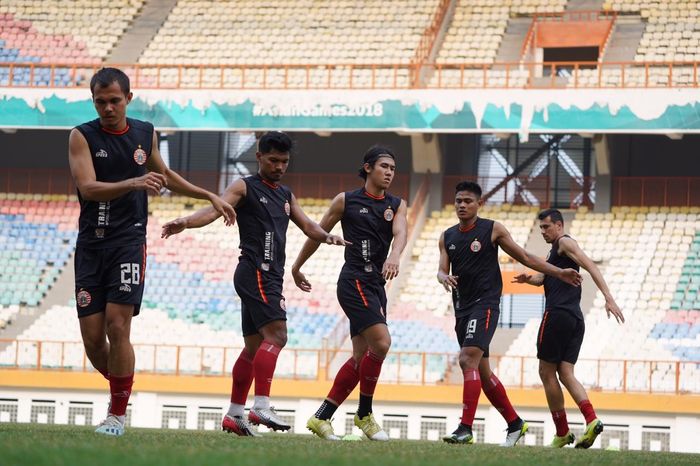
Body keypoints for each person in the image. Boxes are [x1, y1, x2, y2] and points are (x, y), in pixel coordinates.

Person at [68, 67, 236, 436]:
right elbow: (88, 188)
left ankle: (116, 415)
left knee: (117, 326)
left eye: (114, 100)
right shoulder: (81, 136)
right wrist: (134, 182)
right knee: (94, 342)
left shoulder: (145, 133)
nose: (108, 108)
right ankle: (123, 390)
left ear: (129, 98)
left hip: (128, 241)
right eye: (100, 102)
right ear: (93, 101)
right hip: (91, 246)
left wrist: (209, 194)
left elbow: (165, 175)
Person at [161, 131, 348, 437]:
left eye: (284, 161)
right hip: (255, 270)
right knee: (278, 335)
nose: (279, 167)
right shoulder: (245, 186)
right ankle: (261, 404)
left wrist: (327, 236)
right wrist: (186, 221)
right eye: (273, 160)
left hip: (269, 274)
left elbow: (307, 224)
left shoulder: (286, 195)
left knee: (252, 348)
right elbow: (214, 208)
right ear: (259, 157)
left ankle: (235, 414)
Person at [437, 181, 583, 447]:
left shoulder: (492, 230)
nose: (462, 205)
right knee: (481, 372)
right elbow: (441, 269)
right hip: (461, 307)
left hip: (486, 304)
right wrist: (442, 276)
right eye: (458, 201)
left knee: (467, 360)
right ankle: (515, 424)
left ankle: (465, 428)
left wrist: (558, 272)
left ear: (478, 204)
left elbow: (526, 256)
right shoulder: (447, 236)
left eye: (468, 201)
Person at [291, 145, 408, 441]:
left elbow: (401, 231)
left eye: (393, 169)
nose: (389, 173)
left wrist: (395, 255)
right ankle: (365, 414)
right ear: (367, 168)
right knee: (381, 343)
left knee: (360, 359)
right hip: (354, 280)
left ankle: (322, 417)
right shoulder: (346, 200)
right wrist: (297, 267)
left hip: (376, 285)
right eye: (384, 166)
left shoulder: (397, 204)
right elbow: (317, 232)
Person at [512, 208, 624, 448]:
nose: (542, 231)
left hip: (558, 315)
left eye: (546, 227)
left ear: (560, 226)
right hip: (574, 318)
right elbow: (545, 278)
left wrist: (608, 297)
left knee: (545, 371)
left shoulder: (564, 243)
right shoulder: (556, 253)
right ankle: (592, 420)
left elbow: (591, 266)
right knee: (565, 373)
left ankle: (562, 432)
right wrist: (529, 279)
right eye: (540, 227)